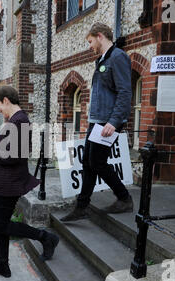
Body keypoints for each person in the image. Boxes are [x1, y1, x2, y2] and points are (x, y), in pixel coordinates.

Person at [0, 85, 59, 278]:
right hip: (5, 180)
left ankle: (46, 237)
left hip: (10, 181)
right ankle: (3, 264)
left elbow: (16, 157)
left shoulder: (20, 121)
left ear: (6, 100)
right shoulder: (14, 120)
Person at [61, 23, 133, 222]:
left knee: (97, 162)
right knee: (88, 162)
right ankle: (82, 206)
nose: (90, 46)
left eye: (91, 41)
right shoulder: (103, 59)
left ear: (100, 36)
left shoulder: (118, 57)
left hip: (108, 121)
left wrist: (114, 121)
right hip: (97, 120)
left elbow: (125, 92)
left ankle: (124, 198)